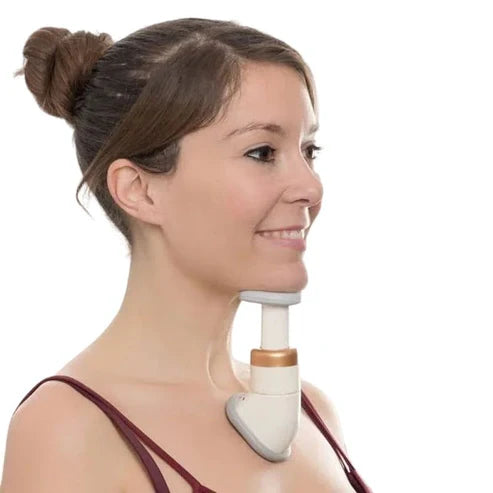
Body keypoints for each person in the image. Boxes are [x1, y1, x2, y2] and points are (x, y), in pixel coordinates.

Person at [1, 18, 372, 492]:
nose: (311, 187)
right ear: (139, 190)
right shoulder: (69, 431)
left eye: (309, 150)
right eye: (262, 152)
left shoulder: (314, 412)